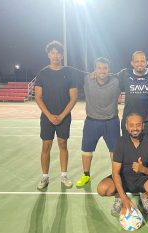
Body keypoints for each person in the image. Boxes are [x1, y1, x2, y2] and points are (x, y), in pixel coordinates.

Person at [97, 113, 148, 216]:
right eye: (131, 125)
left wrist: (143, 169)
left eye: (138, 125)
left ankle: (144, 196)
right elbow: (115, 172)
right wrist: (125, 198)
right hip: (123, 178)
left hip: (143, 179)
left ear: (143, 126)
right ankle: (119, 196)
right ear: (126, 127)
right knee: (102, 189)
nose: (135, 128)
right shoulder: (120, 142)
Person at [34, 40, 78, 190]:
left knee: (62, 144)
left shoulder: (69, 72)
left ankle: (64, 175)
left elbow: (73, 98)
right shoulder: (42, 73)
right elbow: (38, 97)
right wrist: (49, 115)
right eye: (52, 53)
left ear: (62, 55)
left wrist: (61, 115)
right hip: (47, 117)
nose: (55, 55)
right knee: (46, 146)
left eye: (58, 53)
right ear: (48, 55)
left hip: (64, 117)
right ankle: (45, 177)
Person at [75, 57, 121, 187]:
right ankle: (86, 175)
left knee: (115, 152)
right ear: (95, 69)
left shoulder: (116, 81)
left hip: (111, 122)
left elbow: (131, 72)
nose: (102, 71)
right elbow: (71, 70)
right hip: (92, 121)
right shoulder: (87, 79)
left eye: (105, 68)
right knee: (87, 150)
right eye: (99, 68)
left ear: (109, 70)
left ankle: (116, 176)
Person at [117, 51, 148, 138]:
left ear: (146, 63)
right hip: (129, 121)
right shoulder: (125, 74)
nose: (140, 64)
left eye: (142, 61)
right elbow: (108, 77)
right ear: (132, 63)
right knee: (128, 149)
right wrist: (96, 73)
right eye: (137, 61)